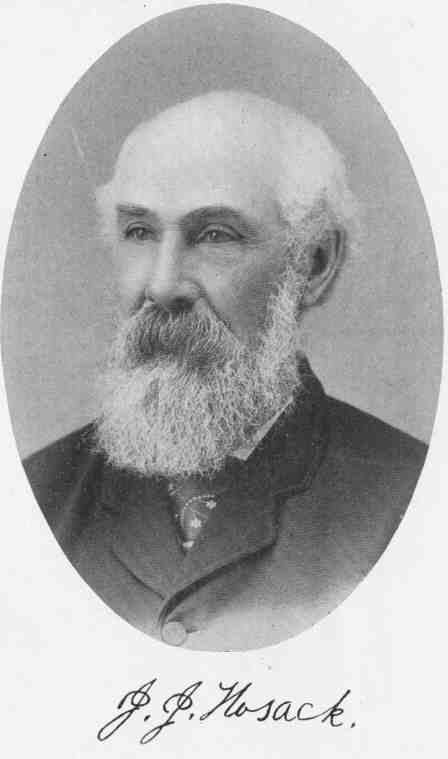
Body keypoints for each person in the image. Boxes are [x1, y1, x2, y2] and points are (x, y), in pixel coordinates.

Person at [24, 90, 426, 650]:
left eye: (215, 235)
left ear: (313, 264)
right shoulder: (38, 495)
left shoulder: (413, 505)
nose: (162, 285)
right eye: (140, 232)